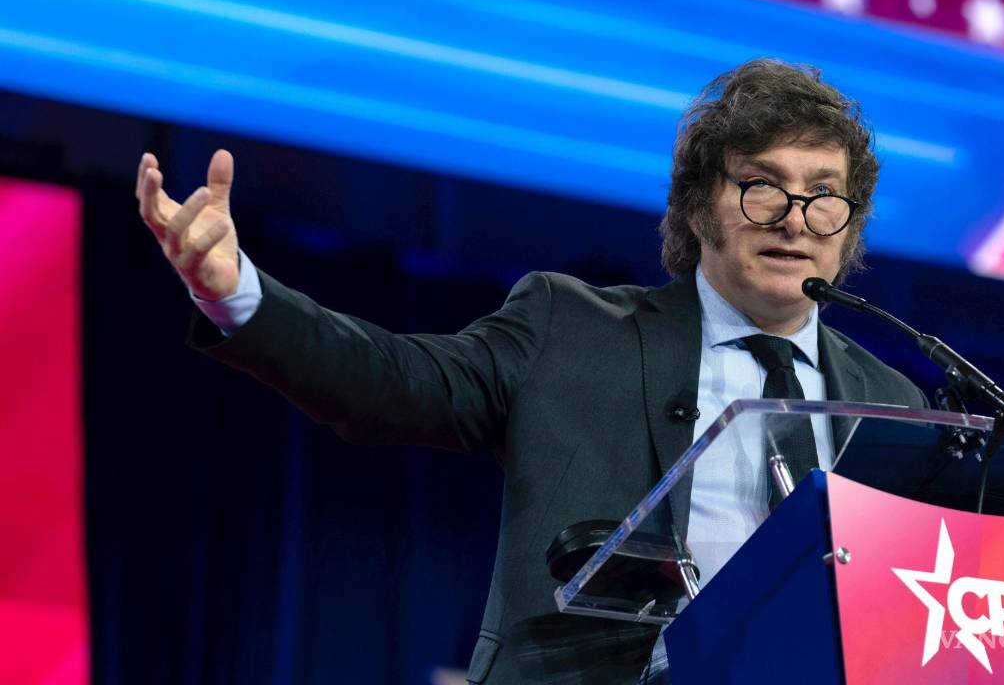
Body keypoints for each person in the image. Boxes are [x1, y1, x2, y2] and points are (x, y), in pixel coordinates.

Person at [136, 58, 926, 684]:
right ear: (696, 208)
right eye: (762, 186)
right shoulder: (572, 328)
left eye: (825, 195)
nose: (795, 217)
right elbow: (394, 380)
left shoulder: (896, 405)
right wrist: (238, 294)